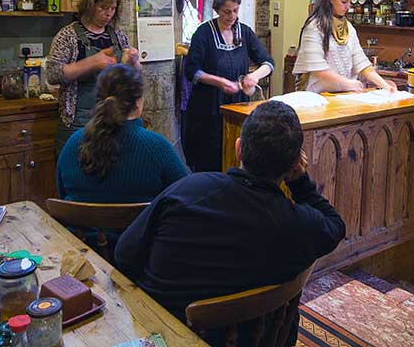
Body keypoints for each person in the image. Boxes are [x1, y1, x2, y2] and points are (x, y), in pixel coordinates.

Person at [115, 100, 345, 345]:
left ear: (238, 148)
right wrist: (300, 183)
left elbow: (124, 255)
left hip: (161, 334)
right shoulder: (297, 224)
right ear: (293, 167)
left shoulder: (189, 189)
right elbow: (335, 226)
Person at [57, 64, 188, 203]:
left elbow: (61, 194)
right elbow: (187, 196)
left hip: (78, 225)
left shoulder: (73, 144)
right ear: (138, 103)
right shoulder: (156, 148)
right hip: (141, 225)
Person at [184, 0, 274, 171]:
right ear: (216, 10)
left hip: (238, 107)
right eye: (226, 12)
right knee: (210, 162)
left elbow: (268, 63)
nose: (231, 16)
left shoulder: (245, 32)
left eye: (235, 11)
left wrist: (254, 76)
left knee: (235, 158)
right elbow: (191, 70)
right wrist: (219, 82)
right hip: (208, 109)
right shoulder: (204, 33)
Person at [47, 0, 140, 152]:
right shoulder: (67, 36)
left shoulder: (118, 36)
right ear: (90, 5)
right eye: (104, 8)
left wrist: (133, 63)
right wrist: (91, 63)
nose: (108, 14)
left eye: (112, 8)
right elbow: (52, 74)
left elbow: (131, 78)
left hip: (112, 119)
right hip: (77, 122)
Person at [293, 0, 396, 93]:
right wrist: (347, 83)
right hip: (318, 96)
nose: (348, 7)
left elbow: (361, 63)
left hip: (343, 94)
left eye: (350, 2)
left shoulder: (349, 28)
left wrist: (384, 84)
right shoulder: (314, 27)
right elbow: (318, 68)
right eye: (344, 2)